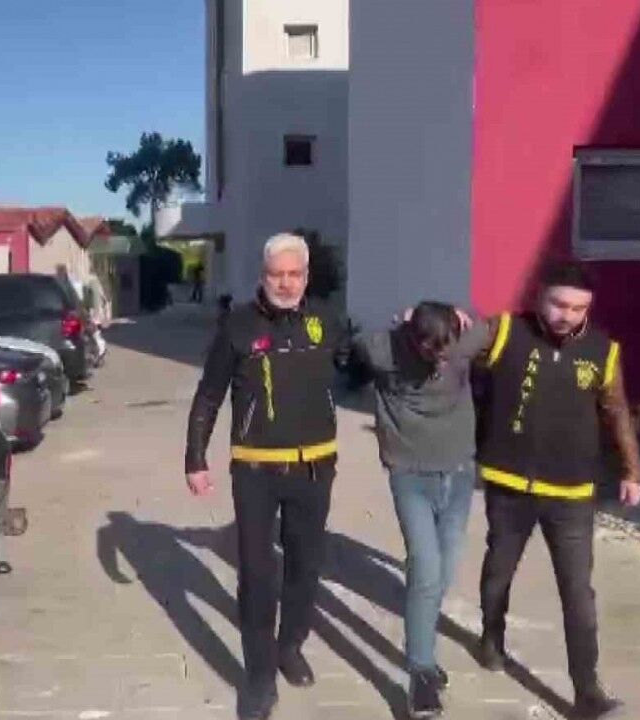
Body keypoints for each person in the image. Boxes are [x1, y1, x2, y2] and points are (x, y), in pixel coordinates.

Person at [184, 232, 349, 720]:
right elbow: (209, 394)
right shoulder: (238, 326)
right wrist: (195, 457)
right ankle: (259, 677)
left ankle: (290, 646)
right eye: (277, 274)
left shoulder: (326, 321)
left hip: (315, 467)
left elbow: (365, 362)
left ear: (306, 277)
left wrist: (425, 329)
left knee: (305, 566)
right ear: (263, 276)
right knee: (257, 576)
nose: (286, 283)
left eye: (294, 274)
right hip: (255, 470)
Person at [473, 261, 640, 720]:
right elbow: (453, 347)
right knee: (498, 572)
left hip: (571, 491)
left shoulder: (603, 351)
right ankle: (492, 635)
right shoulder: (505, 332)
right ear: (539, 297)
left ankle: (587, 689)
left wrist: (632, 471)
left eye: (578, 308)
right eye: (558, 304)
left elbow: (617, 411)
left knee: (578, 592)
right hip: (510, 484)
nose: (567, 315)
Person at [354, 301, 490, 718]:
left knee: (442, 573)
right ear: (412, 338)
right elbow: (359, 345)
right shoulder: (385, 349)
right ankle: (421, 673)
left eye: (447, 349)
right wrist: (401, 319)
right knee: (427, 570)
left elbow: (490, 327)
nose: (441, 358)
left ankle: (421, 632)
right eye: (431, 350)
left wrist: (464, 312)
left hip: (459, 473)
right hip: (410, 475)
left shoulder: (463, 340)